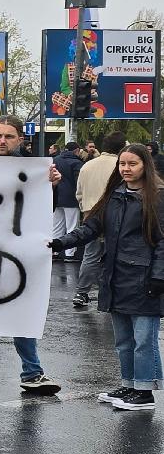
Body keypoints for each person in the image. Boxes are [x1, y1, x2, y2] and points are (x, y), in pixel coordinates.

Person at [52, 144, 164, 411]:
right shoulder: (115, 194)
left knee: (143, 339)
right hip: (116, 276)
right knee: (123, 339)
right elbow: (91, 227)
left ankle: (145, 392)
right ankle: (130, 385)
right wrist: (60, 242)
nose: (126, 169)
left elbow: (162, 242)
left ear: (145, 166)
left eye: (132, 164)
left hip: (145, 277)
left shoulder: (158, 197)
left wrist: (159, 276)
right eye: (122, 164)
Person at [0, 116, 63, 397]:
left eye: (9, 136)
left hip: (18, 253)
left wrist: (51, 185)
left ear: (20, 139)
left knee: (23, 308)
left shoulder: (34, 169)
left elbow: (41, 210)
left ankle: (32, 372)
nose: (2, 141)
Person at [74, 132, 127, 309]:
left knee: (90, 255)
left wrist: (86, 210)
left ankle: (81, 292)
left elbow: (79, 193)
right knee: (116, 255)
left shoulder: (87, 166)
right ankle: (113, 291)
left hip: (91, 214)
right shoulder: (122, 166)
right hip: (117, 216)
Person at [52, 141, 84, 264]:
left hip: (56, 197)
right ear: (76, 150)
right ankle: (69, 254)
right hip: (71, 199)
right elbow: (79, 182)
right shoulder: (77, 162)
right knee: (72, 226)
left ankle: (54, 252)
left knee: (57, 226)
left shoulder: (55, 160)